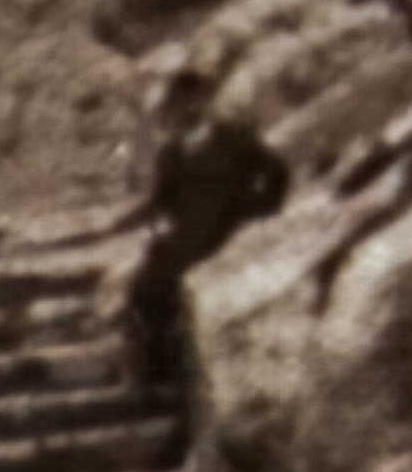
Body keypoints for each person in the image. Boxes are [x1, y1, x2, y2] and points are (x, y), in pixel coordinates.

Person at [117, 67, 289, 412]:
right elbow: (163, 202)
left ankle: (168, 382)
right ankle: (155, 381)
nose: (186, 111)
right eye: (179, 105)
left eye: (192, 102)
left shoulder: (234, 139)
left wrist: (257, 210)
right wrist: (146, 219)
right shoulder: (172, 155)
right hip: (185, 240)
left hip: (223, 234)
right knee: (143, 291)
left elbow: (277, 173)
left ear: (204, 102)